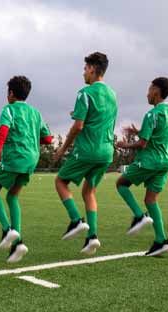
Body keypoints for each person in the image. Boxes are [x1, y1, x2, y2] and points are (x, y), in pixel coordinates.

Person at [53, 52, 117, 255]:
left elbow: (78, 126)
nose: (83, 73)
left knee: (60, 181)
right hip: (107, 151)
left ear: (92, 69)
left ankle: (75, 220)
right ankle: (92, 237)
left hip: (88, 150)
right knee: (89, 192)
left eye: (84, 68)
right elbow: (99, 118)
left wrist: (63, 149)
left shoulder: (85, 92)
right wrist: (78, 114)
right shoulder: (112, 94)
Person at [0, 75, 53, 263]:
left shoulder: (9, 110)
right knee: (12, 196)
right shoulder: (36, 113)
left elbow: (3, 133)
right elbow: (48, 139)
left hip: (14, 158)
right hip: (31, 160)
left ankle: (8, 230)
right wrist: (30, 139)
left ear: (11, 93)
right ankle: (18, 244)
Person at [115, 77, 168, 257]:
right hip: (165, 160)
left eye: (149, 90)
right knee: (151, 200)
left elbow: (143, 144)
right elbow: (162, 133)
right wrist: (138, 131)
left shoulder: (152, 114)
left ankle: (139, 216)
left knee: (121, 184)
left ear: (156, 91)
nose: (147, 94)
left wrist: (124, 145)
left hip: (150, 160)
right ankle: (161, 240)